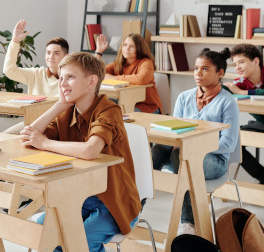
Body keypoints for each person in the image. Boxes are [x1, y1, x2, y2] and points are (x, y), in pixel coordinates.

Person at [19, 52, 141, 252]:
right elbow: (29, 135)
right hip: (81, 198)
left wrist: (44, 143)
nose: (63, 83)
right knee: (44, 232)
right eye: (61, 78)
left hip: (115, 200)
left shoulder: (109, 110)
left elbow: (90, 150)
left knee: (81, 241)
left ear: (91, 82)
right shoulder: (68, 112)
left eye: (70, 77)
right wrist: (58, 105)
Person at [152, 48, 239, 235]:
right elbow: (175, 132)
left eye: (205, 69)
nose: (198, 74)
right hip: (184, 154)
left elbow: (228, 144)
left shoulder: (227, 102)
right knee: (158, 148)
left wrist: (194, 149)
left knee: (181, 156)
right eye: (196, 68)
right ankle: (133, 207)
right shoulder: (184, 97)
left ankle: (188, 223)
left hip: (215, 161)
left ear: (220, 73)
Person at [2, 19, 69, 133]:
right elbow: (9, 70)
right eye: (48, 53)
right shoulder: (36, 73)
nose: (50, 57)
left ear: (65, 56)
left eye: (56, 53)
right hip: (32, 122)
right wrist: (15, 41)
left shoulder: (71, 78)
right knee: (5, 136)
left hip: (58, 125)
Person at [224, 44, 264, 183]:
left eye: (241, 62)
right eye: (235, 64)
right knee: (233, 142)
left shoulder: (242, 87)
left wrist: (243, 93)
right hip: (261, 123)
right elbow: (224, 89)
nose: (237, 68)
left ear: (256, 61)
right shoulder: (242, 81)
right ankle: (263, 177)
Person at [94, 33, 162, 113]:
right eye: (125, 45)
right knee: (101, 109)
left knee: (115, 112)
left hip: (147, 107)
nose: (127, 49)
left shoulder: (146, 62)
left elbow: (141, 79)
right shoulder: (118, 63)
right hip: (124, 103)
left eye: (132, 46)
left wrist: (114, 78)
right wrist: (98, 52)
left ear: (139, 48)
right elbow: (95, 71)